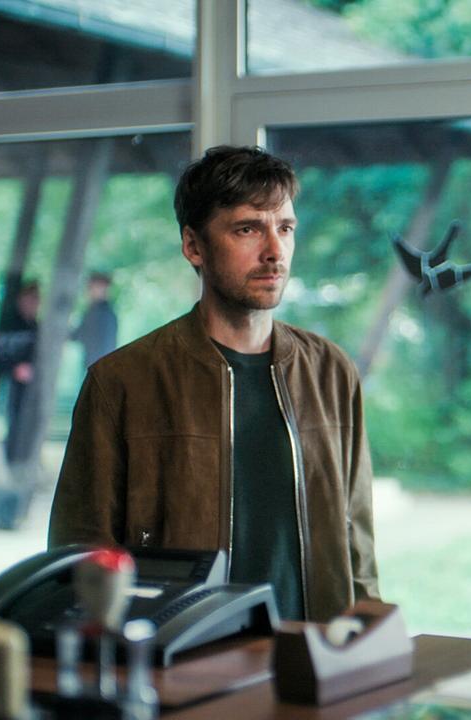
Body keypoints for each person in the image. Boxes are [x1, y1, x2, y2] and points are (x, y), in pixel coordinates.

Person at [48, 145, 379, 622]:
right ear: (193, 246)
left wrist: (365, 640)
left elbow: (358, 544)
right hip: (178, 658)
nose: (274, 251)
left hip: (313, 656)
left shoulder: (331, 372)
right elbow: (80, 554)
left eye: (285, 228)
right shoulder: (122, 382)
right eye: (248, 229)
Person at [0, 280, 40, 461]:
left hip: (31, 385)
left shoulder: (36, 326)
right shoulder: (10, 325)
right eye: (29, 299)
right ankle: (11, 457)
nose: (33, 304)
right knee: (14, 420)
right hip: (12, 383)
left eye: (35, 300)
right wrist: (14, 369)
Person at [71, 270, 118, 370]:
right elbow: (77, 335)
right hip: (90, 367)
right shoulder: (91, 311)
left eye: (93, 286)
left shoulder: (106, 315)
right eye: (89, 287)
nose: (89, 290)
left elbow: (108, 346)